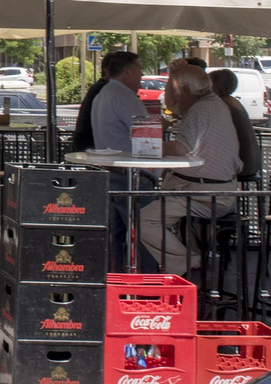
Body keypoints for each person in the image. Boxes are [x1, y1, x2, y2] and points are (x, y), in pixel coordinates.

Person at [136, 61, 242, 275]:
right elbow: (173, 105)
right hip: (220, 190)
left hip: (205, 193)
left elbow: (180, 148)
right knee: (158, 205)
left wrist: (146, 148)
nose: (173, 95)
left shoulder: (199, 110)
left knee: (143, 220)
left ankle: (188, 262)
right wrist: (173, 75)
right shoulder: (212, 103)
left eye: (175, 90)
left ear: (185, 90)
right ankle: (186, 263)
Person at [90, 50, 149, 269]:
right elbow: (145, 135)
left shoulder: (103, 94)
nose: (142, 75)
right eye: (139, 70)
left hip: (113, 172)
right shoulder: (124, 96)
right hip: (131, 176)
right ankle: (147, 285)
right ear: (127, 72)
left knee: (117, 235)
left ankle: (115, 280)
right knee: (147, 234)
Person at [210, 68, 261, 181]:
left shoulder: (221, 104)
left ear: (215, 85)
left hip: (242, 161)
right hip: (252, 159)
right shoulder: (233, 101)